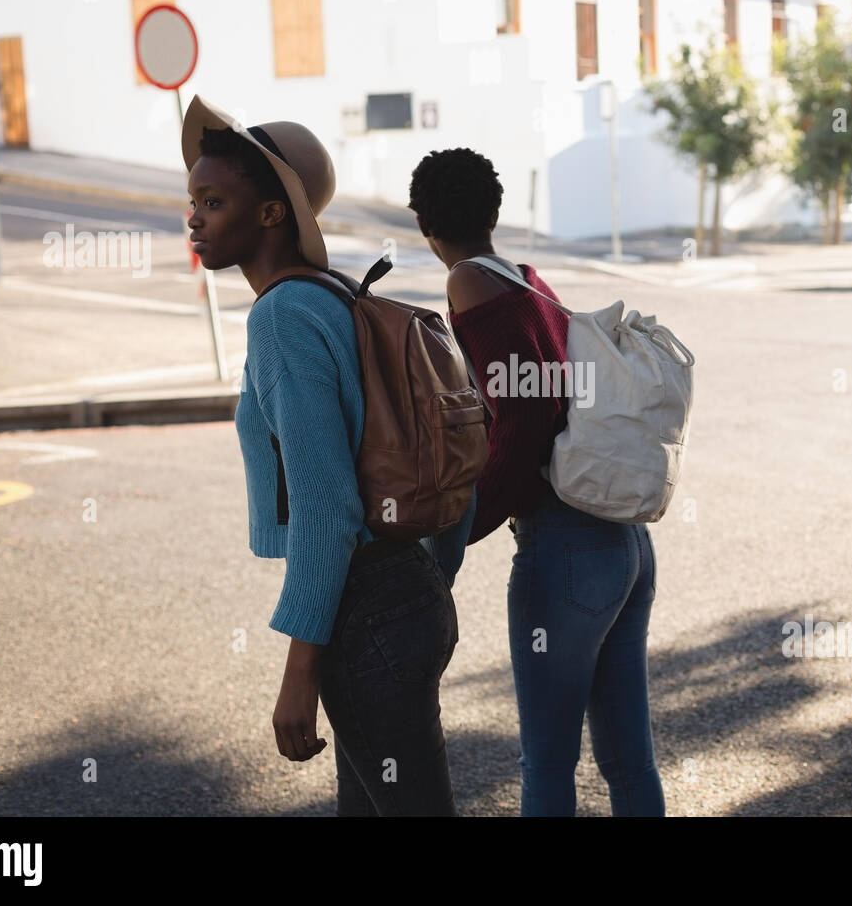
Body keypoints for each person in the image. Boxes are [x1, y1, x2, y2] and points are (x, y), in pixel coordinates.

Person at [182, 96, 457, 816]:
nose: (195, 217)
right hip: (401, 594)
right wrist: (425, 577)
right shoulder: (336, 296)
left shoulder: (282, 316)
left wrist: (299, 672)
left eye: (214, 200)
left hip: (365, 617)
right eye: (193, 200)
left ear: (272, 213)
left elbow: (327, 506)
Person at [408, 147, 666, 816]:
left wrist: (453, 541)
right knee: (628, 762)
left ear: (422, 221)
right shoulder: (523, 276)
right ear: (494, 210)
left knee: (548, 765)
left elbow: (521, 422)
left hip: (567, 553)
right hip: (624, 547)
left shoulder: (468, 280)